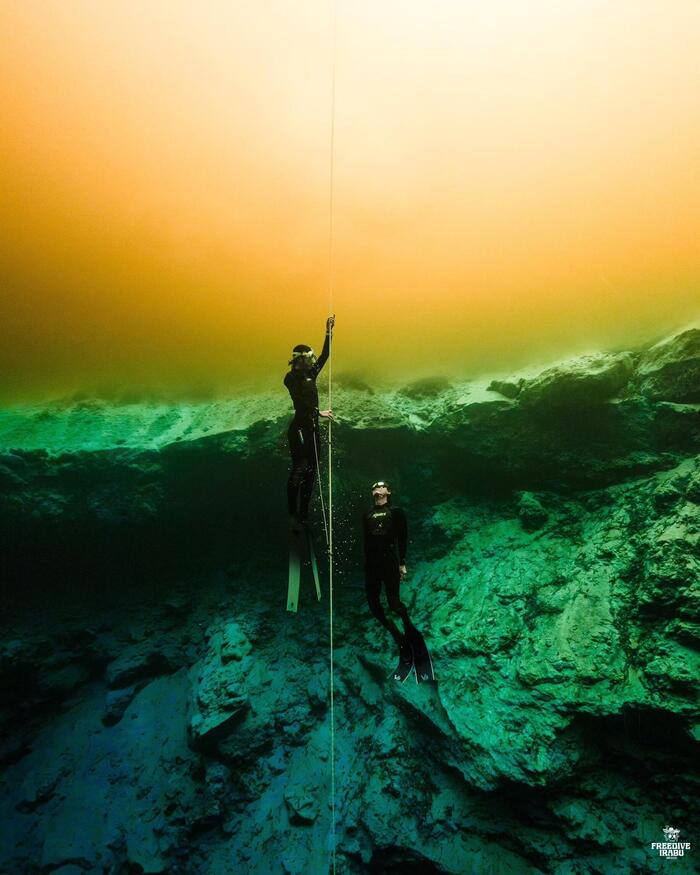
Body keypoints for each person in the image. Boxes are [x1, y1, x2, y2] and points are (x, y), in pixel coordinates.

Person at [363, 480, 432, 681]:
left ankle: (410, 631)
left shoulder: (396, 512)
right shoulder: (366, 514)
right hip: (372, 566)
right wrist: (366, 564)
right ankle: (399, 638)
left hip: (390, 563)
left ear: (388, 491)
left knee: (394, 604)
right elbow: (367, 541)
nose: (377, 488)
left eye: (381, 486)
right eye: (374, 486)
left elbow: (402, 537)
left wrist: (402, 562)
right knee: (374, 607)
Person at [284, 315, 335, 527]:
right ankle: (292, 512)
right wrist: (317, 412)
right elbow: (301, 401)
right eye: (309, 358)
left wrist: (328, 331)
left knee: (312, 471)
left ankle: (303, 514)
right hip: (299, 429)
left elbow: (326, 355)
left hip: (312, 427)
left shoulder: (310, 374)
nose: (314, 361)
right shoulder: (291, 378)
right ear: (301, 358)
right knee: (301, 468)